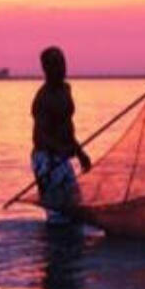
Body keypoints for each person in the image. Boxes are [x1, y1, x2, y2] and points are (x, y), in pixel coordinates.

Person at [31, 46, 92, 224]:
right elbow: (40, 138)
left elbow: (67, 128)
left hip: (62, 157)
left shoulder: (65, 90)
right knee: (58, 216)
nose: (61, 69)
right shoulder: (43, 99)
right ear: (46, 69)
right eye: (55, 64)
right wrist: (61, 149)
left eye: (62, 63)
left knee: (74, 207)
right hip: (47, 159)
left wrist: (80, 153)